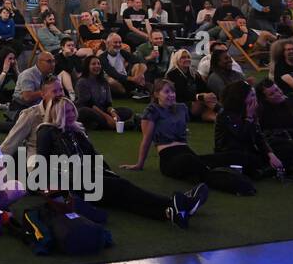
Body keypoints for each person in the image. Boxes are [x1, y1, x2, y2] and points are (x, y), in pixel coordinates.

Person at [35, 114, 207, 229]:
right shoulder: (47, 132)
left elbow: (95, 157)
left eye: (72, 110)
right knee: (123, 188)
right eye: (67, 111)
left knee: (123, 199)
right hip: (74, 183)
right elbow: (41, 166)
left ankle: (170, 212)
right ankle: (176, 203)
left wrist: (109, 172)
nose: (72, 114)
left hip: (88, 176)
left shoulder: (76, 133)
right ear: (57, 113)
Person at [122, 79, 254, 193]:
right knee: (192, 162)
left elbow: (212, 108)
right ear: (157, 94)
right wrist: (139, 164)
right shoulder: (152, 111)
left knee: (232, 155)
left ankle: (255, 172)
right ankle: (234, 184)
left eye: (173, 92)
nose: (171, 95)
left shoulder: (181, 108)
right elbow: (147, 139)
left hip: (188, 153)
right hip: (169, 159)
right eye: (166, 92)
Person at [213, 81, 293, 178]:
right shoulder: (226, 115)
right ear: (242, 98)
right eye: (252, 96)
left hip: (248, 151)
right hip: (231, 154)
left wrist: (270, 154)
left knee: (284, 147)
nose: (255, 99)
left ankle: (266, 170)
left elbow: (258, 136)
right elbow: (241, 136)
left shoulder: (248, 111)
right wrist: (249, 118)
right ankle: (263, 171)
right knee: (247, 159)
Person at [75, 53, 133, 131]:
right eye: (93, 64)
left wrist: (113, 113)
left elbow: (108, 104)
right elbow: (89, 103)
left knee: (127, 111)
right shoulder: (82, 82)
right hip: (89, 110)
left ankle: (102, 125)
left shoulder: (104, 82)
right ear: (87, 67)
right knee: (85, 112)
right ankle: (115, 125)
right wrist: (106, 116)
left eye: (98, 64)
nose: (97, 66)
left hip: (102, 110)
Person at [167, 48, 219, 122]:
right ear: (177, 60)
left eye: (188, 57)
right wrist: (200, 96)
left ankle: (219, 119)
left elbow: (204, 88)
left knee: (208, 103)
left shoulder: (194, 74)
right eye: (183, 57)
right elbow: (180, 94)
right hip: (179, 105)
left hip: (195, 103)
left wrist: (210, 94)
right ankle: (224, 114)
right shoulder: (172, 75)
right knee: (204, 100)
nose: (187, 59)